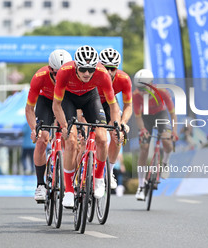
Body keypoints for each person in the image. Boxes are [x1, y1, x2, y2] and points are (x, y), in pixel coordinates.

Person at [52, 45, 121, 208]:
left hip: (91, 97)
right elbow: (56, 105)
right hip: (68, 98)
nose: (87, 74)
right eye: (83, 69)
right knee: (71, 141)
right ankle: (69, 191)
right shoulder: (64, 71)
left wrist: (116, 123)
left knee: (103, 139)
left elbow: (113, 106)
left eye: (90, 70)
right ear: (76, 66)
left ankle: (98, 179)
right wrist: (64, 127)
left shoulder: (102, 73)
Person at [25, 49, 72, 203]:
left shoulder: (74, 75)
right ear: (50, 69)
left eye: (62, 74)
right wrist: (34, 129)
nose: (59, 79)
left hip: (65, 102)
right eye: (56, 74)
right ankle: (40, 184)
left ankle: (73, 181)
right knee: (42, 139)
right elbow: (29, 109)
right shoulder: (39, 77)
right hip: (46, 102)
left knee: (71, 139)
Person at [132, 69, 178, 201]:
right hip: (146, 118)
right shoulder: (136, 95)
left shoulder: (163, 92)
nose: (140, 91)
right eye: (138, 88)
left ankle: (165, 162)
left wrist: (174, 131)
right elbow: (138, 116)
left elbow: (173, 114)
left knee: (167, 142)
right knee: (144, 148)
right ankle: (141, 186)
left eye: (143, 88)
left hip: (161, 115)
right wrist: (142, 130)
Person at [98, 48, 132, 190]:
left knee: (118, 134)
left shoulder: (123, 79)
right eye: (106, 68)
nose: (109, 72)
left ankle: (110, 171)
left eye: (113, 69)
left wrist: (123, 122)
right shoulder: (92, 75)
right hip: (89, 102)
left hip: (109, 103)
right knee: (85, 135)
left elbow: (128, 105)